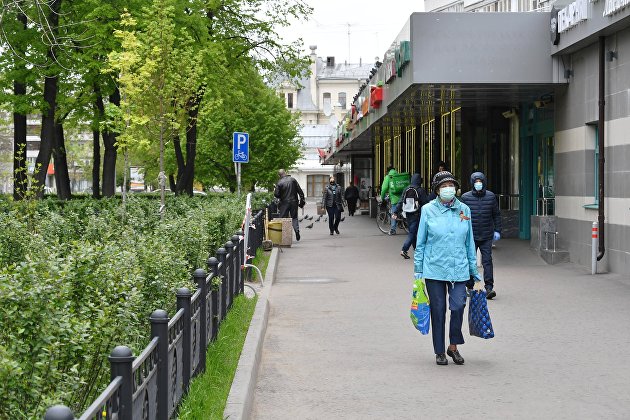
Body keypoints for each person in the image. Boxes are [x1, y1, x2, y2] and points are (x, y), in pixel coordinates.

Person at [414, 171, 481, 366]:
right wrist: (418, 269)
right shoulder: (428, 210)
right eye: (443, 186)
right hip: (434, 267)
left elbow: (469, 242)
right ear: (437, 190)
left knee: (458, 305)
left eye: (450, 185)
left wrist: (473, 270)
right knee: (438, 309)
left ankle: (453, 346)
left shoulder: (464, 210)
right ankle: (439, 351)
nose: (448, 189)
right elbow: (421, 242)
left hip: (459, 267)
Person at [460, 171, 502, 299]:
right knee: (470, 261)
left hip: (487, 235)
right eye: (476, 181)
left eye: (480, 181)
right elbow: (460, 216)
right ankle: (469, 286)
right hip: (471, 236)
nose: (478, 184)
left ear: (484, 182)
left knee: (487, 261)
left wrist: (498, 230)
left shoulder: (490, 196)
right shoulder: (465, 197)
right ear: (472, 183)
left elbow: (496, 214)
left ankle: (489, 288)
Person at [392, 173, 429, 259]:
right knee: (413, 233)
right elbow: (425, 203)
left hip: (408, 214)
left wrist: (395, 212)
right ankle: (404, 249)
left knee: (413, 232)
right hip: (417, 214)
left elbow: (401, 201)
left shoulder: (406, 189)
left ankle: (416, 250)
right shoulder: (420, 190)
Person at [274, 169, 305, 241]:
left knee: (283, 218)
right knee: (294, 217)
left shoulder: (279, 182)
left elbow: (276, 194)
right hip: (294, 202)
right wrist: (302, 201)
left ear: (279, 175)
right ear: (285, 173)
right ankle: (296, 231)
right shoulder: (293, 180)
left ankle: (285, 236)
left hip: (284, 203)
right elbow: (300, 191)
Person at [380, 166, 404, 235]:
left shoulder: (388, 177)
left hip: (394, 199)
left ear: (388, 171)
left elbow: (384, 189)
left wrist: (382, 197)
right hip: (402, 197)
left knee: (394, 214)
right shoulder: (398, 176)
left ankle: (393, 229)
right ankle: (403, 223)